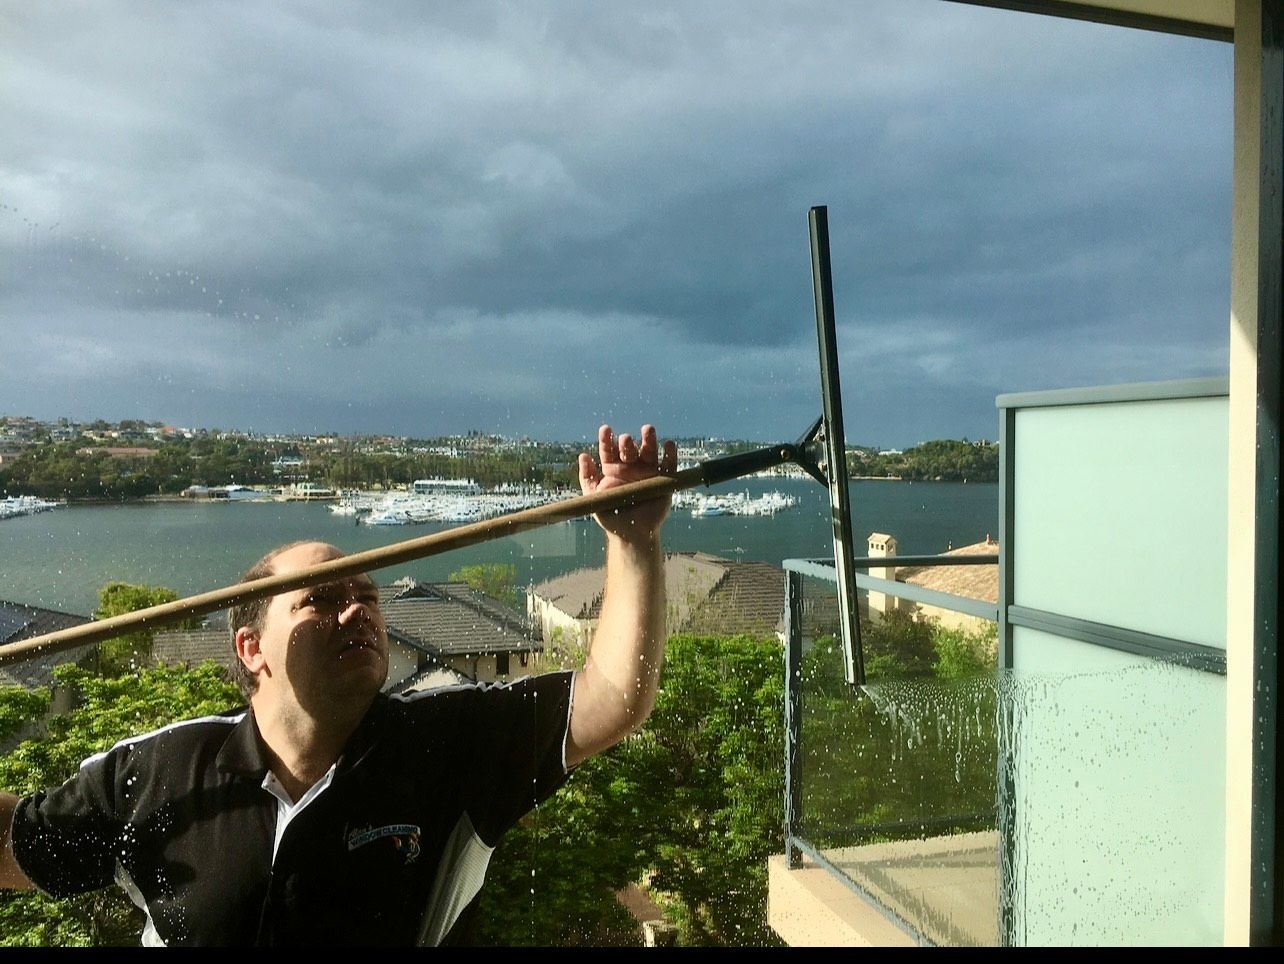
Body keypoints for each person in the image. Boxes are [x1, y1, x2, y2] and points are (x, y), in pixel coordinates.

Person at [0, 423, 678, 946]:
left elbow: (612, 698)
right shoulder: (156, 772)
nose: (357, 609)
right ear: (252, 647)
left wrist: (632, 542)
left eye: (365, 594)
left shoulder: (448, 746)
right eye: (320, 599)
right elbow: (14, 850)